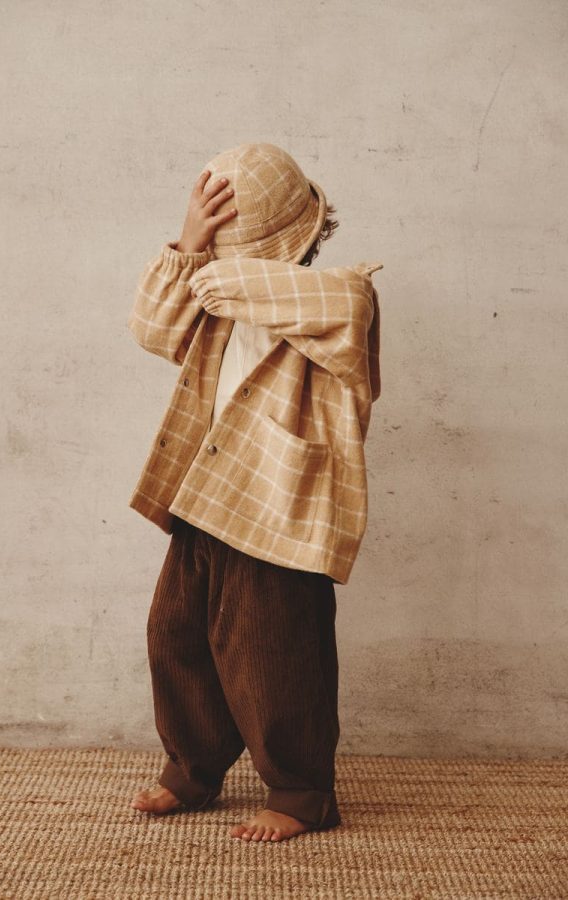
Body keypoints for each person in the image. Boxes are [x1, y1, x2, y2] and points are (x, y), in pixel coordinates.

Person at [129, 143, 382, 842]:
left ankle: (303, 793)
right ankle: (193, 769)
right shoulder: (220, 293)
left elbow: (276, 295)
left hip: (280, 502)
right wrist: (188, 243)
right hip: (208, 491)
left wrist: (212, 268)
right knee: (175, 634)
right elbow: (152, 328)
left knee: (274, 651)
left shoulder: (338, 296)